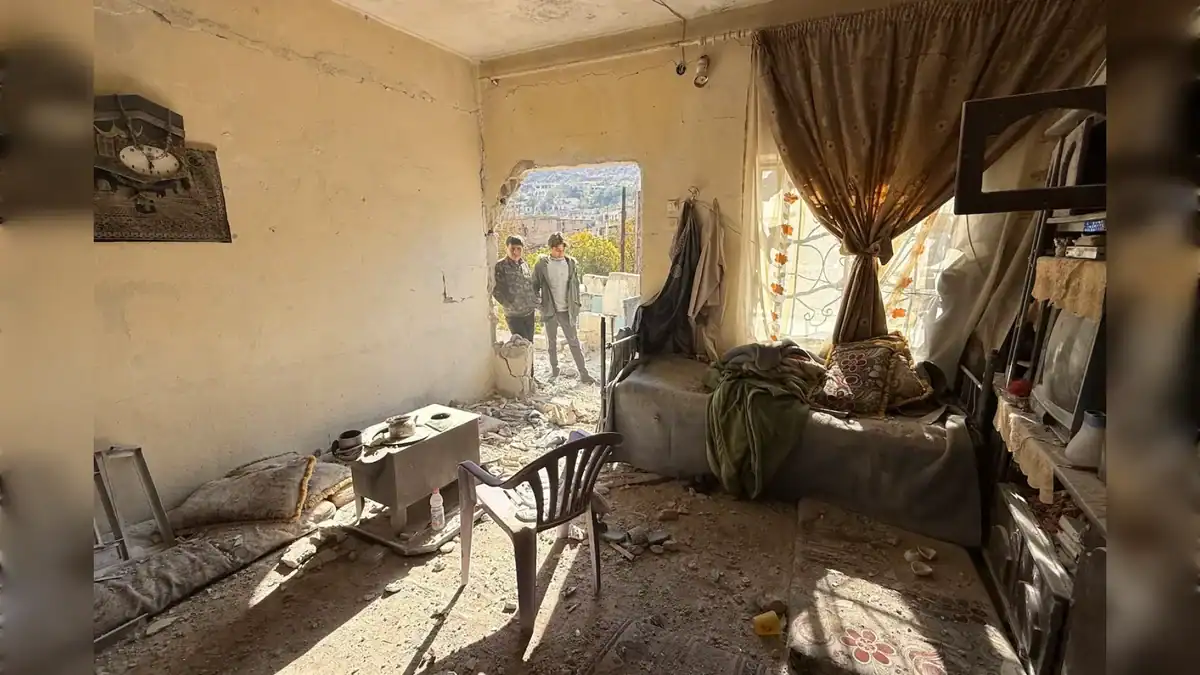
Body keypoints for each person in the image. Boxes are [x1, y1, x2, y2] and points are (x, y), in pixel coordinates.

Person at [533, 232, 596, 384]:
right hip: (550, 309)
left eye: (562, 250)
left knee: (573, 342)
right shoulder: (542, 265)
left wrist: (576, 304)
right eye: (557, 250)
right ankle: (555, 371)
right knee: (552, 343)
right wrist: (539, 304)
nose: (560, 253)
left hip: (567, 310)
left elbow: (575, 285)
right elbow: (534, 286)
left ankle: (584, 373)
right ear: (551, 249)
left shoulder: (571, 263)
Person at [492, 234, 537, 343]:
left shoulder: (524, 264)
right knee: (522, 345)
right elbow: (495, 290)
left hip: (529, 313)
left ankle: (530, 361)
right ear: (506, 248)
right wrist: (510, 304)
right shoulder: (500, 266)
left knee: (529, 345)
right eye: (513, 249)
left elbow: (529, 284)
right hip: (514, 316)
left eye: (519, 249)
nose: (516, 252)